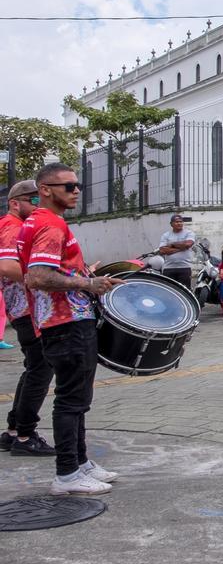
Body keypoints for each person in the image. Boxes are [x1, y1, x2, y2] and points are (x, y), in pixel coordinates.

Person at [17, 163, 121, 494]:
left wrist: (83, 276)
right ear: (45, 190)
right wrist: (88, 283)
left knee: (78, 397)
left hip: (65, 321)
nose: (76, 190)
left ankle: (79, 462)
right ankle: (66, 474)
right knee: (71, 399)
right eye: (68, 186)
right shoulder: (49, 224)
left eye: (77, 186)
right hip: (65, 323)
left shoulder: (45, 222)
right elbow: (37, 276)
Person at [0, 180, 55, 456]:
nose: (38, 204)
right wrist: (51, 279)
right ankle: (24, 436)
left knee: (35, 367)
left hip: (25, 310)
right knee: (41, 369)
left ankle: (14, 431)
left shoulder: (15, 226)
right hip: (26, 310)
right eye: (32, 200)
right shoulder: (12, 227)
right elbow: (8, 266)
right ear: (14, 203)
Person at [157, 213, 196, 290]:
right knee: (169, 290)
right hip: (168, 268)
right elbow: (162, 250)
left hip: (184, 267)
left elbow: (188, 244)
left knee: (184, 291)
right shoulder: (166, 235)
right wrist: (182, 247)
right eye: (177, 222)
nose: (179, 223)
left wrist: (171, 245)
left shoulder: (189, 233)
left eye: (181, 221)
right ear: (171, 224)